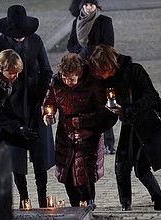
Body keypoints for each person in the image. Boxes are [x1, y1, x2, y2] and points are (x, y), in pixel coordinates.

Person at [0, 5, 55, 208]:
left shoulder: (35, 41)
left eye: (23, 35)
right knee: (15, 155)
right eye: (16, 35)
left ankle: (43, 197)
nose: (20, 38)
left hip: (35, 104)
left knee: (40, 154)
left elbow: (46, 70)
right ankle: (23, 197)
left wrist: (43, 100)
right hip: (12, 106)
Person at [89, 44, 161, 211]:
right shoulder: (108, 82)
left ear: (109, 65)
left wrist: (128, 109)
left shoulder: (134, 71)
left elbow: (151, 97)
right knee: (121, 165)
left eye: (101, 70)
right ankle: (125, 204)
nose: (99, 75)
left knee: (141, 167)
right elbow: (108, 113)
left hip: (147, 124)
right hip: (129, 126)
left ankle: (158, 197)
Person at [43, 53, 117, 207]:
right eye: (64, 77)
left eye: (71, 78)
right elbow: (49, 101)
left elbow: (104, 111)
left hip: (88, 135)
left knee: (85, 175)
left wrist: (85, 122)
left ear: (79, 73)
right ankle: (75, 207)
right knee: (67, 174)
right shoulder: (56, 81)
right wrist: (47, 113)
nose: (66, 81)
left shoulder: (93, 82)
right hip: (65, 135)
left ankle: (89, 204)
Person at [67, 0, 116, 154]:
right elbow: (71, 44)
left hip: (99, 66)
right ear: (82, 6)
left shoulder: (104, 21)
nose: (89, 8)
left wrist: (89, 51)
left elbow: (108, 43)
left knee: (103, 102)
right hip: (82, 67)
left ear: (96, 6)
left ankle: (109, 142)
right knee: (86, 103)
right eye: (86, 5)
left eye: (92, 5)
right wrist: (80, 52)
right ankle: (87, 137)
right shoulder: (77, 21)